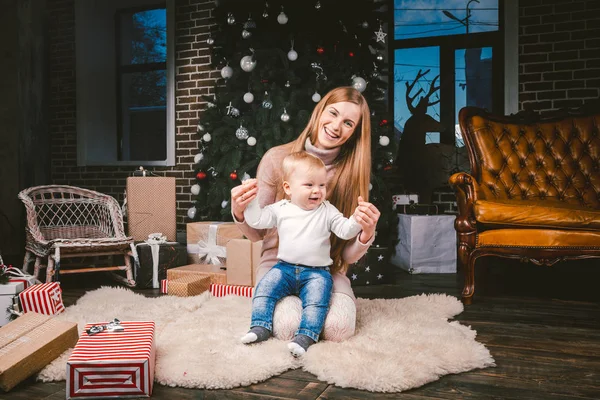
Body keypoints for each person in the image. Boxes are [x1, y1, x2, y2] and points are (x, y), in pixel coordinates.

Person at [231, 86, 380, 344]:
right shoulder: (277, 159)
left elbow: (345, 252)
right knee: (288, 327)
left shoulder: (351, 171)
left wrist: (366, 233)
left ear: (355, 132)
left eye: (348, 123)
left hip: (325, 270)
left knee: (338, 329)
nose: (336, 126)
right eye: (332, 113)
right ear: (319, 111)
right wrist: (239, 211)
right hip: (279, 265)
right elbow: (257, 233)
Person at [241, 151, 363, 356]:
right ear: (288, 188)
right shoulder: (281, 208)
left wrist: (357, 219)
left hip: (317, 273)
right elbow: (257, 221)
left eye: (322, 185)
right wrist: (251, 202)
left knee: (316, 304)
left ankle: (306, 336)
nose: (318, 190)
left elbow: (344, 230)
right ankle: (260, 326)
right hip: (284, 268)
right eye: (309, 185)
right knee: (264, 290)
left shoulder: (327, 210)